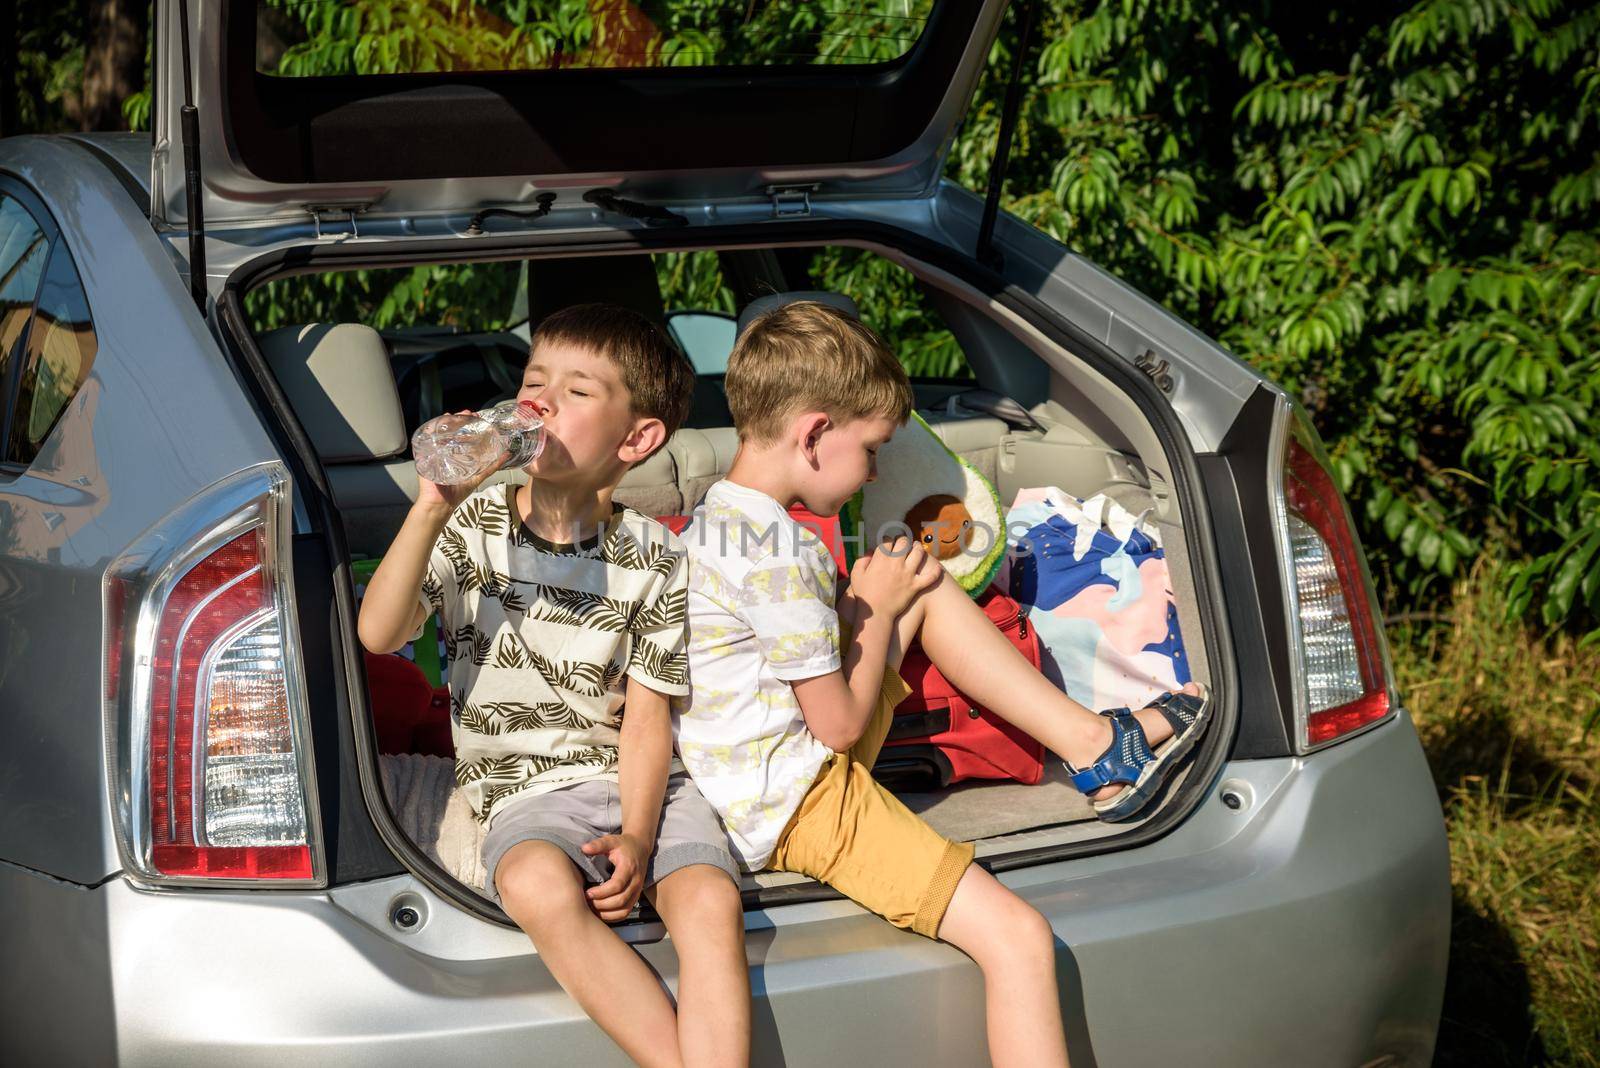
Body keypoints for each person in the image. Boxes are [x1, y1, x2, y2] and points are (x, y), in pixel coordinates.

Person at [673, 300, 1211, 1067]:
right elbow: (836, 727)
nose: (879, 469)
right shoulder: (780, 554)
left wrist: (874, 605)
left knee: (917, 581)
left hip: (753, 774)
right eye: (873, 448)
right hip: (804, 801)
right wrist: (876, 613)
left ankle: (1097, 744)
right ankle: (1103, 745)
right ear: (816, 433)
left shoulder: (714, 523)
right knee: (1019, 940)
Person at [358, 304, 749, 1068]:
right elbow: (380, 633)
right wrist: (430, 503)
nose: (537, 402)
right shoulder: (472, 524)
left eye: (575, 392)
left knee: (710, 902)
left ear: (636, 440)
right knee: (535, 885)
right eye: (533, 381)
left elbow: (646, 719)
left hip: (645, 785)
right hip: (524, 787)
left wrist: (638, 834)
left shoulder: (653, 557)